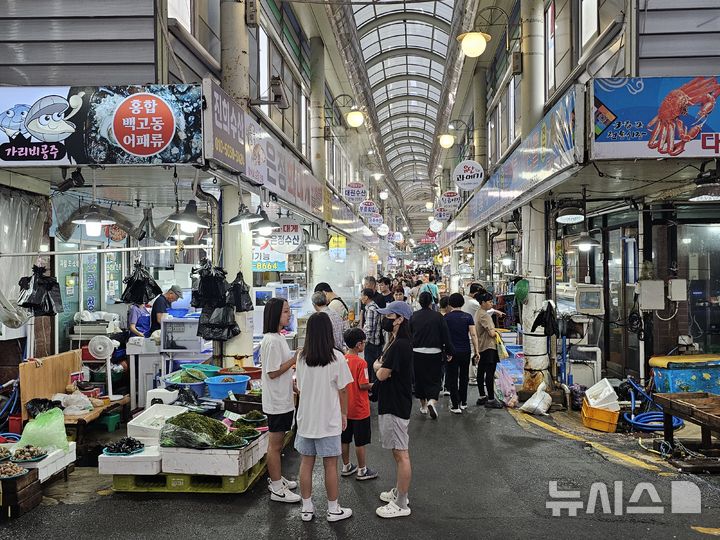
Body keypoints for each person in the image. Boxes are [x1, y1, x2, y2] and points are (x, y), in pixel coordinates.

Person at [295, 312, 354, 522]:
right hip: (328, 420)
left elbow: (299, 388)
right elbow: (344, 390)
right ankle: (333, 509)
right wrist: (344, 413)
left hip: (306, 420)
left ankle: (307, 508)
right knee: (330, 465)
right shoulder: (337, 357)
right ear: (328, 332)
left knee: (306, 463)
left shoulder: (301, 358)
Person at [373, 301, 413, 519]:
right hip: (393, 400)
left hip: (396, 403)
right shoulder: (396, 341)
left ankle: (401, 503)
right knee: (397, 451)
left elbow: (381, 373)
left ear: (399, 319)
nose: (385, 319)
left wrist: (377, 366)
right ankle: (399, 492)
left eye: (388, 316)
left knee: (401, 453)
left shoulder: (400, 345)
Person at [260, 298, 300, 504]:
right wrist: (294, 359)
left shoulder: (278, 337)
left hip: (282, 398)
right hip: (276, 402)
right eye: (285, 311)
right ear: (275, 314)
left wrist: (292, 385)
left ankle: (277, 478)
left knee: (279, 443)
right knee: (275, 446)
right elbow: (273, 371)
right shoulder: (272, 341)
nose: (289, 314)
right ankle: (276, 487)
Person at [340, 327, 378, 481]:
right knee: (360, 441)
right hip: (360, 408)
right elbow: (363, 384)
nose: (364, 345)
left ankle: (346, 466)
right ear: (358, 345)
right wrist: (374, 385)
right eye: (363, 342)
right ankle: (362, 470)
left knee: (345, 439)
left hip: (344, 408)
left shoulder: (341, 359)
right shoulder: (362, 363)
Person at [411, 291, 454, 419]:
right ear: (431, 302)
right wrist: (449, 351)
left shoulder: (414, 316)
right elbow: (446, 336)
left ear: (419, 302)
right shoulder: (438, 317)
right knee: (434, 379)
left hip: (416, 353)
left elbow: (409, 335)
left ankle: (423, 406)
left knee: (419, 379)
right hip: (435, 353)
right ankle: (432, 401)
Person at [444, 293, 480, 414]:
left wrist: (445, 352)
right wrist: (477, 351)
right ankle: (464, 402)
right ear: (462, 303)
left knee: (453, 378)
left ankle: (455, 405)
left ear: (450, 304)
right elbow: (473, 335)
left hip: (452, 352)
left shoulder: (446, 318)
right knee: (464, 377)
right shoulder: (468, 317)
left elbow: (444, 337)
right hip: (465, 351)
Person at [474, 292, 504, 409]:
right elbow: (491, 333)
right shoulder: (485, 316)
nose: (492, 303)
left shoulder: (478, 313)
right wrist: (497, 332)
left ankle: (482, 396)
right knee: (490, 373)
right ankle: (491, 399)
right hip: (488, 347)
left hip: (481, 346)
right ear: (483, 303)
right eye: (490, 301)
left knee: (481, 372)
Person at [361, 288, 383, 383]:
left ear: (366, 297)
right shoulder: (373, 307)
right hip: (375, 342)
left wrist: (364, 342)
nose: (360, 298)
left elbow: (369, 328)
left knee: (370, 367)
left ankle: (372, 390)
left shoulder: (371, 309)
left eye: (362, 296)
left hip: (372, 343)